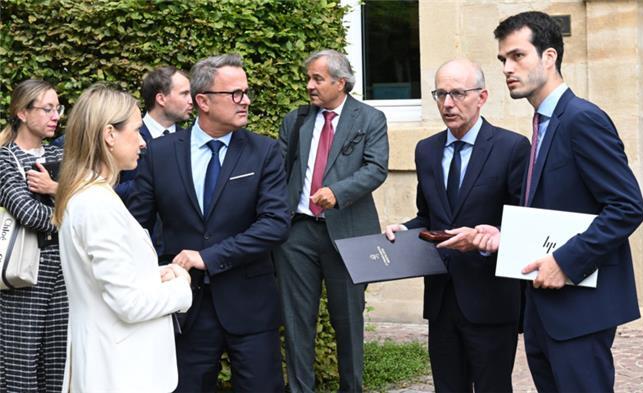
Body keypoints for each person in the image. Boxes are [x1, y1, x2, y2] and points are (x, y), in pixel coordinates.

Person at [441, 11, 643, 392]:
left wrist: (565, 262)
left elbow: (627, 207)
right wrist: (505, 236)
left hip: (580, 308)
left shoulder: (581, 119)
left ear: (549, 57)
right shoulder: (542, 123)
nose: (507, 68)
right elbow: (559, 211)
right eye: (503, 59)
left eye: (518, 56)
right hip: (543, 308)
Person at [128, 54, 291, 392]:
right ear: (202, 101)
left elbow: (275, 224)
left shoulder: (264, 152)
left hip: (251, 306)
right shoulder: (160, 154)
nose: (245, 100)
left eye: (246, 92)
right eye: (234, 93)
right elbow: (137, 226)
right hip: (185, 307)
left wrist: (209, 257)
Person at [383, 59, 529, 392]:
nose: (448, 104)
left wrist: (484, 241)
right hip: (442, 299)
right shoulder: (427, 151)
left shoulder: (512, 148)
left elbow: (525, 222)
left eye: (458, 93)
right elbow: (428, 216)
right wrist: (405, 230)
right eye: (441, 94)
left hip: (490, 298)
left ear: (482, 97)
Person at [53, 84, 192, 392]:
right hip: (119, 372)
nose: (143, 142)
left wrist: (157, 275)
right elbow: (127, 303)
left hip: (113, 366)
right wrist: (182, 288)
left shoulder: (91, 197)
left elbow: (107, 279)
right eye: (137, 131)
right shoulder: (96, 204)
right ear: (109, 134)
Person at [275, 48, 388, 392]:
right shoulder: (295, 120)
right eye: (308, 78)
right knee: (296, 322)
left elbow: (376, 168)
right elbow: (279, 173)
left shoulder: (370, 118)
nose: (309, 85)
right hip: (298, 235)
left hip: (349, 235)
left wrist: (337, 192)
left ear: (341, 82)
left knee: (349, 321)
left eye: (317, 78)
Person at [0, 79, 67, 393]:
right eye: (47, 109)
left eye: (58, 108)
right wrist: (71, 213)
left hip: (65, 275)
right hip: (23, 276)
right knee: (19, 369)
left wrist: (58, 194)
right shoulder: (5, 159)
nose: (56, 116)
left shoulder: (64, 156)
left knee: (58, 368)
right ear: (22, 113)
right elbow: (28, 214)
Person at [117, 66, 193, 200]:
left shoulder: (191, 139)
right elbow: (111, 189)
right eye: (184, 94)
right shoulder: (126, 136)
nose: (191, 101)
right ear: (161, 99)